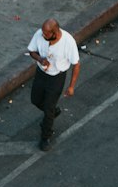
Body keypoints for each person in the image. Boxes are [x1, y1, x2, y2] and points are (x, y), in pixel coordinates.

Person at [26, 18, 80, 150]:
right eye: (43, 33)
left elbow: (76, 65)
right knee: (35, 100)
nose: (43, 35)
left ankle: (46, 136)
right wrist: (40, 59)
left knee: (48, 109)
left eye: (46, 34)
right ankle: (52, 112)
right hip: (41, 73)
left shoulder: (68, 42)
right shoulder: (39, 35)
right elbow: (32, 51)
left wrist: (71, 86)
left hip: (56, 78)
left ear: (55, 32)